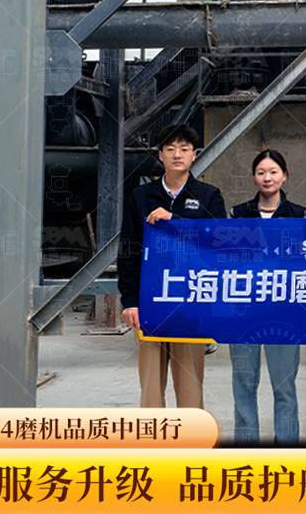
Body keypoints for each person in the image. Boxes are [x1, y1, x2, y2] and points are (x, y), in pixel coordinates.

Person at [117, 124, 226, 408]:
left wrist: (175, 220)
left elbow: (219, 245)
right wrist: (130, 301)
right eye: (170, 149)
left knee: (190, 389)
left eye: (184, 149)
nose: (177, 154)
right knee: (151, 390)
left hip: (192, 302)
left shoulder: (209, 196)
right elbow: (128, 250)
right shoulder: (141, 197)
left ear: (194, 155)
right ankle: (155, 439)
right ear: (160, 155)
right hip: (150, 303)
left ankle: (191, 438)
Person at [229, 149, 306, 444]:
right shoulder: (238, 214)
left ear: (284, 176)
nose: (267, 178)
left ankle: (286, 448)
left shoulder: (299, 216)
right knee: (243, 384)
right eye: (261, 172)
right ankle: (246, 446)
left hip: (284, 315)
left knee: (284, 387)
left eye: (273, 172)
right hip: (244, 313)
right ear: (254, 177)